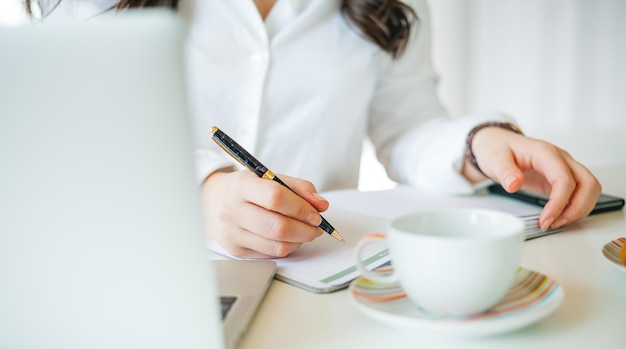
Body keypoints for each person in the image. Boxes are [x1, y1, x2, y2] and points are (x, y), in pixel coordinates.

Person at [27, 0, 602, 259]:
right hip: (141, 266)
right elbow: (71, 144)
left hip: (321, 276)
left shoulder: (386, 8)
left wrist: (478, 145)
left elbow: (408, 128)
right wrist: (197, 193)